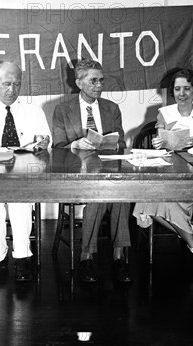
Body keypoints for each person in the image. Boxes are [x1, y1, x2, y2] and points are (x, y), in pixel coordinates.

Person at [0, 61, 51, 282]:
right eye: (6, 84)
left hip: (23, 176)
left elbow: (46, 145)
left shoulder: (35, 112)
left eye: (17, 84)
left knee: (20, 201)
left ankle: (23, 257)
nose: (12, 90)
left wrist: (44, 144)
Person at [133, 68, 193, 272]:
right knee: (144, 199)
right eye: (177, 88)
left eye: (187, 89)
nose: (182, 93)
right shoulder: (164, 113)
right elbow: (162, 145)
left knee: (155, 202)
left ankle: (192, 239)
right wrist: (158, 142)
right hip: (170, 167)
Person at [52, 59, 132, 283]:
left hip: (107, 169)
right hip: (76, 172)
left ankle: (119, 256)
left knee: (122, 195)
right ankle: (87, 256)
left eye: (101, 80)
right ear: (79, 82)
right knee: (99, 196)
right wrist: (76, 144)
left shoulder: (112, 108)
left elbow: (122, 142)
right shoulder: (62, 110)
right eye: (93, 80)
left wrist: (112, 143)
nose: (99, 85)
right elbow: (57, 147)